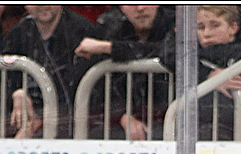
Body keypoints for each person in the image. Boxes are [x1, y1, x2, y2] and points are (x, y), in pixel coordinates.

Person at [154, 4, 241, 141]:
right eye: (200, 27)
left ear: (233, 28)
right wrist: (209, 75)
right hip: (200, 130)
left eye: (214, 25)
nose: (207, 33)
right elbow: (167, 53)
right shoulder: (191, 53)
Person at [73, 5, 176, 140]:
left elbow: (167, 52)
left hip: (172, 118)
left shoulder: (176, 21)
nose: (140, 8)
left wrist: (109, 47)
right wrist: (122, 115)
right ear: (121, 7)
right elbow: (98, 86)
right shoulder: (108, 24)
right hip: (125, 119)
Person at [0, 5, 100, 138]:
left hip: (74, 123)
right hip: (26, 120)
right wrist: (17, 92)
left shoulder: (83, 31)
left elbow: (92, 93)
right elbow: (3, 83)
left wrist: (40, 121)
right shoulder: (17, 33)